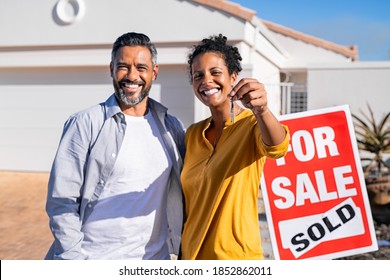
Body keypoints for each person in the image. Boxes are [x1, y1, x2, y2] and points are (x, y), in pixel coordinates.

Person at [45, 32, 185, 260]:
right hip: (95, 259)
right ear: (111, 69)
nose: (132, 76)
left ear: (154, 72)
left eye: (141, 67)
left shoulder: (172, 127)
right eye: (123, 66)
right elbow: (62, 202)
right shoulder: (84, 124)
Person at [180, 34, 290, 260]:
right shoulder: (192, 134)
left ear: (233, 77)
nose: (206, 81)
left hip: (236, 259)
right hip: (191, 257)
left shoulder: (251, 125)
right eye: (198, 75)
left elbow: (278, 146)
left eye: (215, 72)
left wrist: (262, 110)